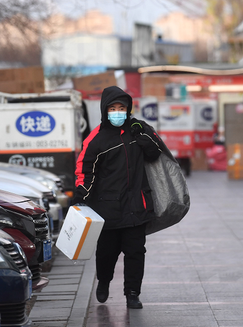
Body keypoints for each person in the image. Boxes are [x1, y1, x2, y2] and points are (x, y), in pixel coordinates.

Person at [73, 86, 161, 309]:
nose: (118, 112)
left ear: (128, 109)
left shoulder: (137, 129)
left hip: (136, 205)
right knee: (106, 252)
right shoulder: (96, 138)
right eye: (113, 108)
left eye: (122, 108)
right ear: (105, 110)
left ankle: (132, 293)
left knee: (135, 252)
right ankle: (104, 281)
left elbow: (155, 152)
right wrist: (82, 191)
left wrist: (143, 134)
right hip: (107, 209)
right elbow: (84, 167)